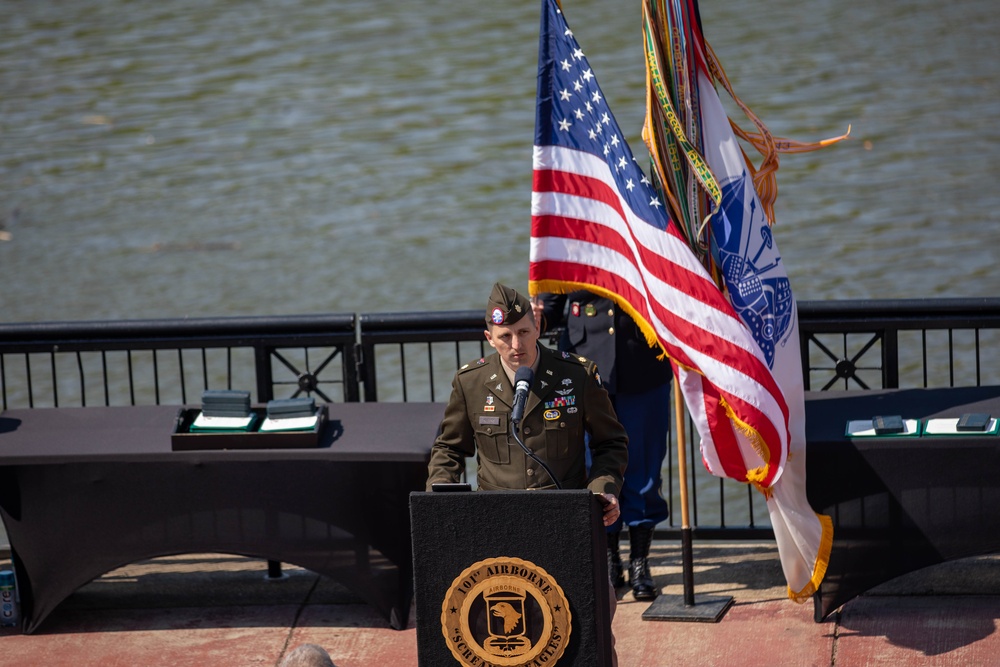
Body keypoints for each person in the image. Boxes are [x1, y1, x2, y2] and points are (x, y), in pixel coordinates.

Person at [426, 283, 628, 526]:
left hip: (564, 516)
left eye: (523, 332)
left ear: (537, 329)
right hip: (495, 518)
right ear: (490, 338)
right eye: (505, 336)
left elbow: (611, 442)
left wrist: (602, 488)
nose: (516, 345)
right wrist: (439, 496)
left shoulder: (577, 375)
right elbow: (450, 448)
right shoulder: (471, 382)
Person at [534, 291, 671, 601]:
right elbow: (552, 309)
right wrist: (535, 314)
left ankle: (640, 562)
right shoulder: (568, 241)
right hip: (584, 366)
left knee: (644, 467)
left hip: (642, 361)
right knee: (593, 469)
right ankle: (608, 557)